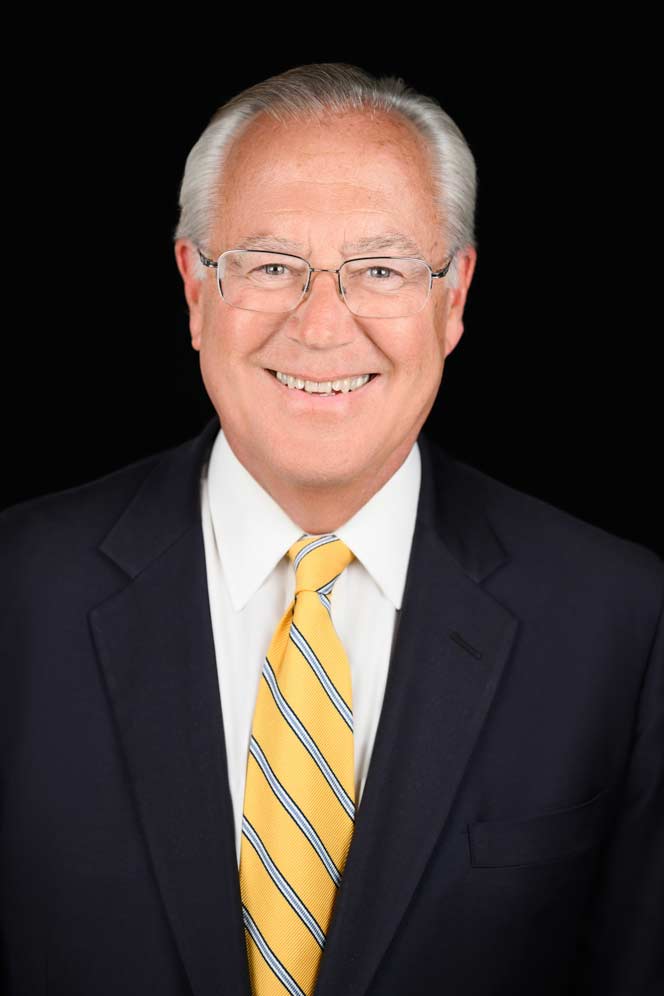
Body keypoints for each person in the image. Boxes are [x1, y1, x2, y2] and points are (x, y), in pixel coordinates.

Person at [1, 62, 662, 996]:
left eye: (380, 271)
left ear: (453, 299)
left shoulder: (619, 621)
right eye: (271, 266)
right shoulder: (19, 593)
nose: (320, 327)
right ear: (195, 290)